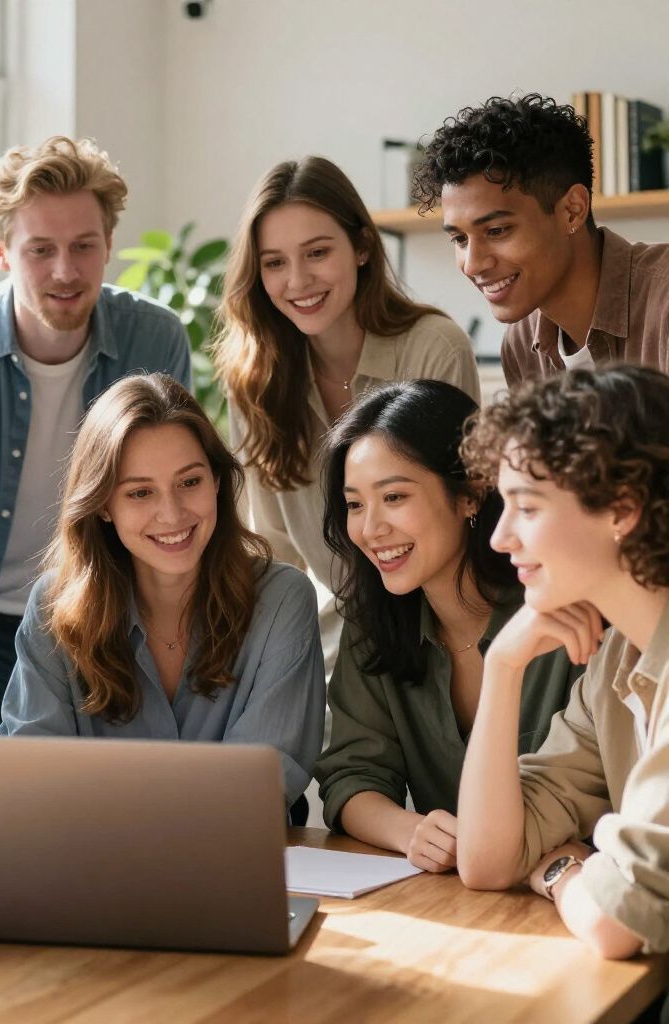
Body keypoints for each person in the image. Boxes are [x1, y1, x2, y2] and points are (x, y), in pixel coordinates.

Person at [0, 136, 191, 810]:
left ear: (109, 242)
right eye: (41, 249)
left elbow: (172, 509)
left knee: (112, 833)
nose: (65, 271)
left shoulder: (156, 339)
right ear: (2, 250)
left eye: (84, 246)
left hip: (107, 624)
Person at [0, 373, 325, 809]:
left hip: (232, 866)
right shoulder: (52, 606)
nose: (171, 514)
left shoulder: (283, 599)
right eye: (140, 492)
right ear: (102, 506)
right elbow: (29, 772)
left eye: (190, 482)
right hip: (90, 866)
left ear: (216, 482)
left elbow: (264, 779)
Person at [214, 155, 479, 677]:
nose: (297, 280)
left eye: (316, 253)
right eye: (273, 262)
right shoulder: (253, 381)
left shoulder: (433, 348)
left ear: (361, 247)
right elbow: (275, 552)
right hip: (339, 644)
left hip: (447, 632)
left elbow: (460, 519)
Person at [314, 380, 578, 870]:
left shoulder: (559, 609)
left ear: (470, 495)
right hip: (458, 897)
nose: (370, 529)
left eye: (393, 497)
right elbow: (352, 776)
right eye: (354, 504)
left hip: (568, 889)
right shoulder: (374, 621)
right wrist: (409, 830)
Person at [458, 364, 669, 959]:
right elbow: (488, 859)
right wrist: (502, 667)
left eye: (526, 508)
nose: (499, 538)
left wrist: (563, 873)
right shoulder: (618, 657)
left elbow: (614, 923)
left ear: (622, 509)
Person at [414, 93, 669, 387]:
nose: (472, 265)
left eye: (496, 231)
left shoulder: (661, 306)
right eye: (459, 239)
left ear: (572, 211)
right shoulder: (522, 344)